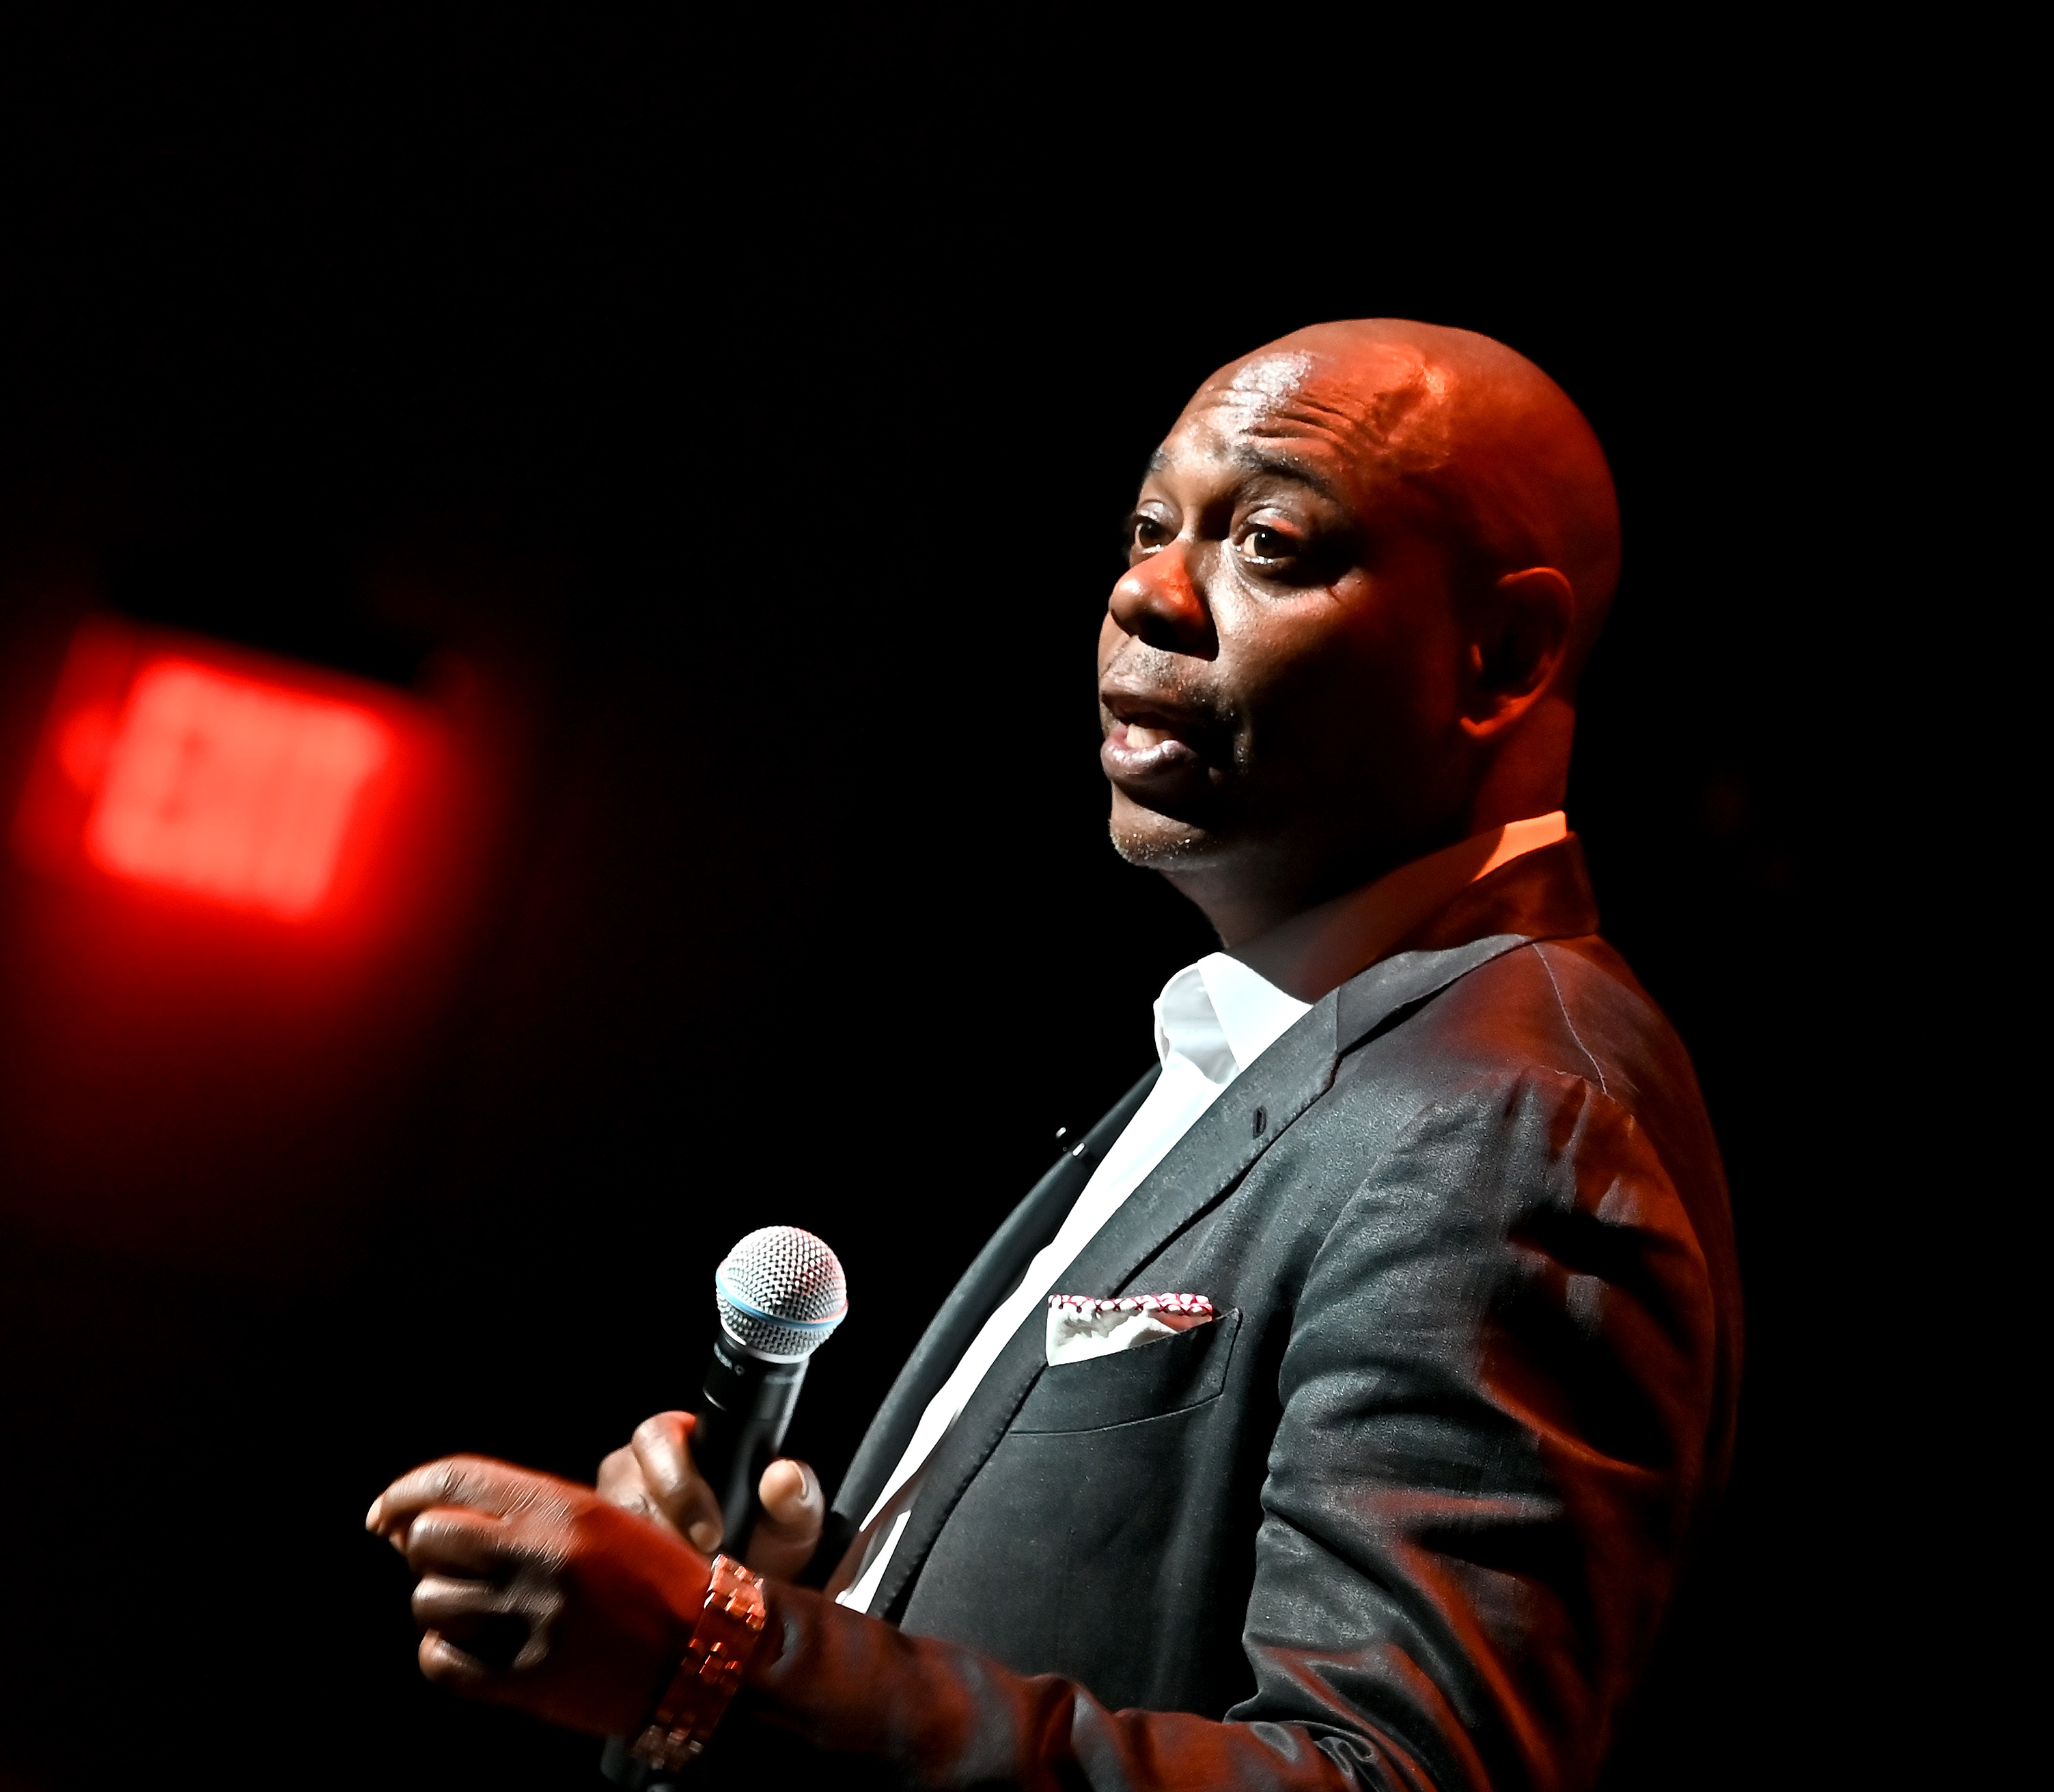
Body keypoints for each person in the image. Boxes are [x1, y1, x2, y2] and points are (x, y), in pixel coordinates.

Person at [369, 319, 1742, 1790]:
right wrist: (805, 1595)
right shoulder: (1293, 1044)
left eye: (1268, 544)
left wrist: (716, 1663)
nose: (1149, 593)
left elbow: (1387, 1778)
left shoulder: (1507, 1122)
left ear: (1505, 653)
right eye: (1150, 528)